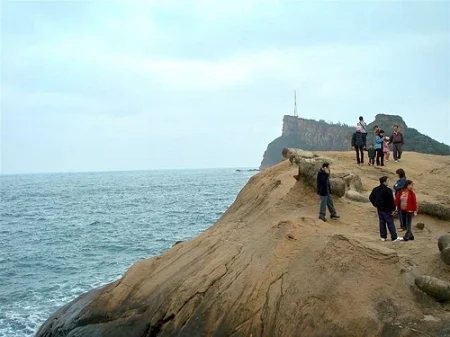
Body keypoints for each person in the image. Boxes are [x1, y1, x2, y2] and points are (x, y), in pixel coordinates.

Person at [369, 176, 402, 242]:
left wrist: (375, 204)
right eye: (387, 181)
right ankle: (394, 237)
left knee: (382, 222)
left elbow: (371, 197)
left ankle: (383, 237)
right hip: (387, 209)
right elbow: (391, 201)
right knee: (390, 223)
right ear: (384, 181)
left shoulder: (376, 189)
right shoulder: (388, 190)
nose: (388, 182)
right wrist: (393, 209)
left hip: (379, 209)